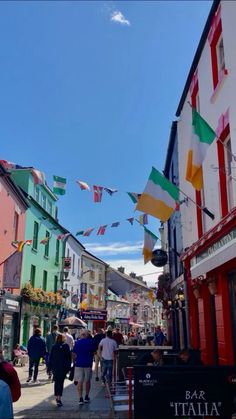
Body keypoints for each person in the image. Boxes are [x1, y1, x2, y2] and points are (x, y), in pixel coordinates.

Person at [72, 329, 96, 405]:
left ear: (81, 335)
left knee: (80, 381)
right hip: (88, 364)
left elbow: (74, 354)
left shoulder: (77, 342)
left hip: (79, 363)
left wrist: (74, 361)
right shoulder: (91, 342)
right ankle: (86, 396)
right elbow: (94, 352)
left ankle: (80, 398)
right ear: (87, 335)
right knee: (87, 381)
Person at [48, 333, 71, 407]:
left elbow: (51, 358)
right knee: (61, 383)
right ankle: (59, 398)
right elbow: (68, 358)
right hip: (63, 368)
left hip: (55, 367)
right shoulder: (66, 346)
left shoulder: (54, 346)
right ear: (64, 338)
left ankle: (56, 397)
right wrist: (68, 368)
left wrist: (49, 368)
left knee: (56, 382)